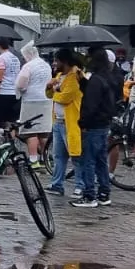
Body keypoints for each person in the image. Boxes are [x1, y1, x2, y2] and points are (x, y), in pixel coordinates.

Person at [72, 50, 120, 208]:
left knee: (89, 161)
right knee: (100, 161)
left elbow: (91, 105)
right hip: (103, 124)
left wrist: (83, 123)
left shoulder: (96, 81)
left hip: (93, 125)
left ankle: (89, 195)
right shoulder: (108, 78)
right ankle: (104, 193)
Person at [46, 48, 83, 196]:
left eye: (57, 60)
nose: (54, 64)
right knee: (58, 156)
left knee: (76, 156)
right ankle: (57, 184)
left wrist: (55, 90)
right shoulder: (60, 76)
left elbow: (66, 97)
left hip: (71, 122)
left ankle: (80, 185)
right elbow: (49, 95)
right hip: (58, 122)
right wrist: (50, 87)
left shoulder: (75, 76)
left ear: (65, 61)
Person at [15, 44, 53, 169]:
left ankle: (33, 161)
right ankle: (45, 159)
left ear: (28, 54)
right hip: (47, 100)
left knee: (31, 131)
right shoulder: (46, 65)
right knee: (43, 132)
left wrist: (21, 89)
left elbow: (21, 83)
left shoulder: (28, 66)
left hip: (31, 100)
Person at [0, 37, 22, 127]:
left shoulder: (0, 58)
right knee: (11, 122)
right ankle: (12, 140)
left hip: (3, 93)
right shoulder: (15, 58)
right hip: (15, 93)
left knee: (0, 122)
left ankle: (2, 140)